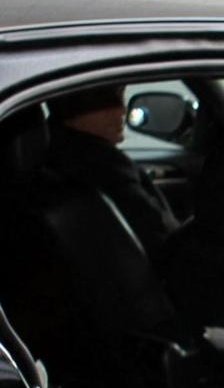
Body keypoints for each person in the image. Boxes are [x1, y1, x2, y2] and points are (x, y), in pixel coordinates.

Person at [45, 84, 180, 265]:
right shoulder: (107, 171)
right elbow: (164, 242)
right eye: (112, 99)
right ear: (76, 111)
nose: (123, 110)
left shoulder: (51, 160)